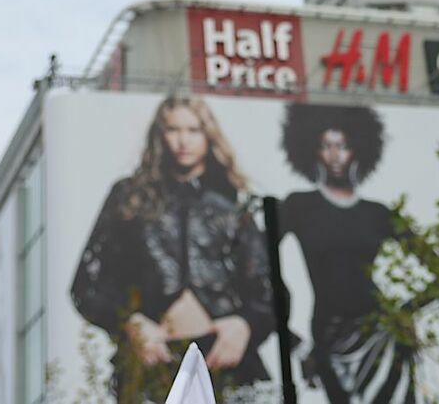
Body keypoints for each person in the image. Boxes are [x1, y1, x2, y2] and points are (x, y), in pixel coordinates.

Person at [71, 95, 275, 400]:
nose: (183, 140)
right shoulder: (130, 197)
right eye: (173, 129)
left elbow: (269, 290)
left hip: (227, 365)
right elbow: (87, 284)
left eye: (193, 130)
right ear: (160, 135)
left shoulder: (233, 203)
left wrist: (245, 325)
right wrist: (130, 322)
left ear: (208, 135)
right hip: (150, 366)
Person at [279, 103, 416, 404]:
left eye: (342, 146)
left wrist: (407, 310)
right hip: (328, 334)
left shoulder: (377, 213)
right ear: (313, 150)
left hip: (380, 333)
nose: (334, 156)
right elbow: (257, 267)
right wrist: (292, 340)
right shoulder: (299, 206)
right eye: (325, 146)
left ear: (357, 149)